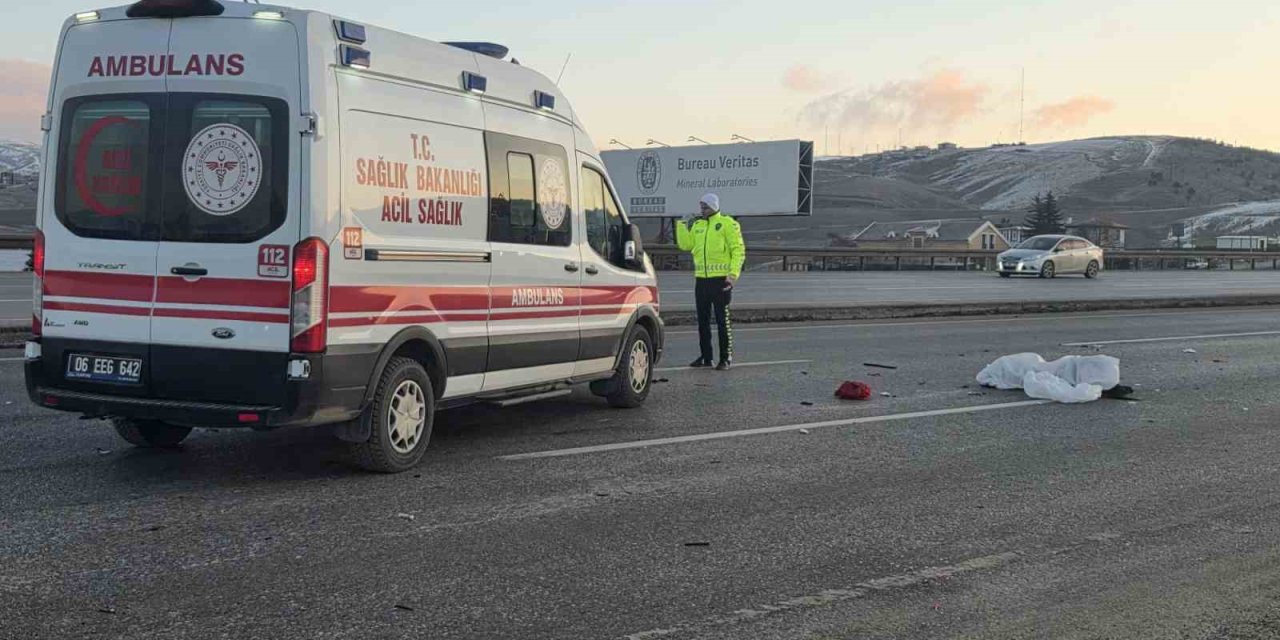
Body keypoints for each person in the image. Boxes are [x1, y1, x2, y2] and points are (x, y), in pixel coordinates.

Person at [675, 193, 745, 370]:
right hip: (702, 280)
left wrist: (733, 274)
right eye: (701, 206)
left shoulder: (728, 224)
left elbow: (738, 250)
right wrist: (682, 224)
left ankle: (725, 358)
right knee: (702, 321)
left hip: (721, 280)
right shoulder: (698, 225)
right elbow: (685, 245)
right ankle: (706, 357)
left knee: (723, 321)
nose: (702, 209)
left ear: (714, 206)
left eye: (705, 206)